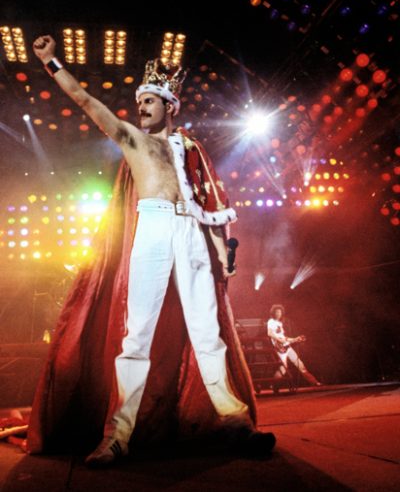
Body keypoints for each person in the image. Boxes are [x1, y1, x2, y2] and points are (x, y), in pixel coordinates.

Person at [28, 35, 276, 465]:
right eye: (138, 100)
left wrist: (222, 252)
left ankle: (237, 424)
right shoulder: (131, 139)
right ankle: (117, 435)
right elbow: (86, 101)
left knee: (207, 332)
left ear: (170, 105)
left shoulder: (192, 149)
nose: (140, 106)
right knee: (136, 334)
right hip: (155, 225)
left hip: (192, 232)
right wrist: (51, 62)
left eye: (149, 100)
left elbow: (210, 203)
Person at [267, 304, 321, 387]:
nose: (278, 314)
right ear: (273, 313)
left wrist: (296, 339)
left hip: (286, 347)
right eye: (277, 312)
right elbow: (270, 333)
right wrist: (279, 339)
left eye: (280, 312)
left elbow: (284, 338)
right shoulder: (271, 321)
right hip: (280, 349)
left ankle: (314, 382)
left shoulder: (280, 323)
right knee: (283, 369)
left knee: (300, 364)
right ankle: (273, 385)